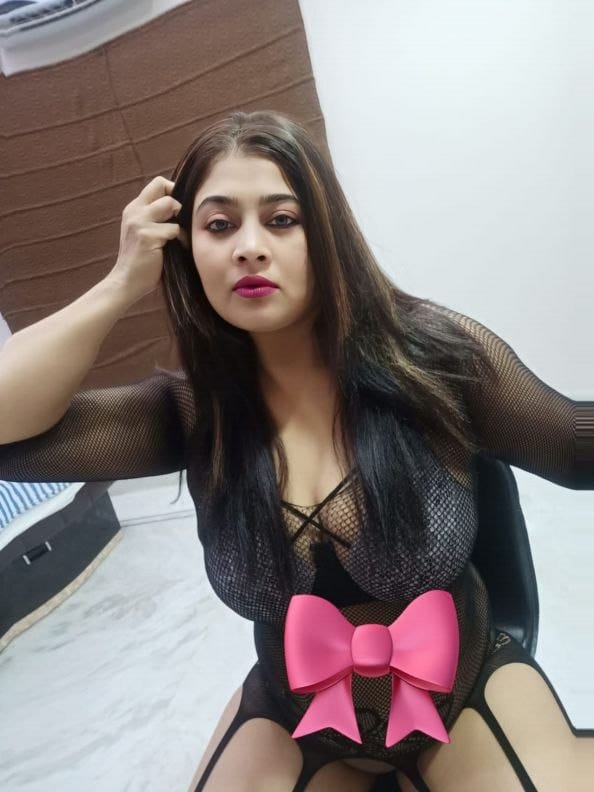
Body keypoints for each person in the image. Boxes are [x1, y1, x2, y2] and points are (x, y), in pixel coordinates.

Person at [0, 110, 592, 792]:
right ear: (185, 249)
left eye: (281, 220)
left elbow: (574, 447)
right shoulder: (193, 411)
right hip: (298, 716)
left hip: (465, 695)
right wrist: (121, 283)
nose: (249, 248)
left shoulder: (435, 360)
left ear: (325, 233)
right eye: (219, 226)